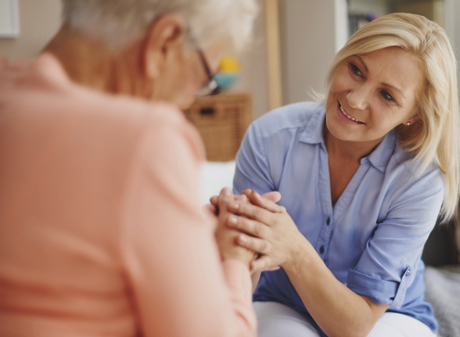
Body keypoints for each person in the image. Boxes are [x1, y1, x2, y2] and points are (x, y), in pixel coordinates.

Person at [0, 0, 264, 336]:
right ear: (165, 39)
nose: (188, 101)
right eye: (203, 77)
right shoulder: (147, 140)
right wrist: (234, 260)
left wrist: (183, 231)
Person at [215, 13, 460, 337]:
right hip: (281, 303)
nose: (355, 99)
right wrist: (229, 240)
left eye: (387, 95)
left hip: (386, 317)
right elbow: (239, 280)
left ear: (412, 116)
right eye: (356, 70)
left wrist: (292, 248)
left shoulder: (418, 180)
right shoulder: (268, 139)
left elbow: (355, 326)